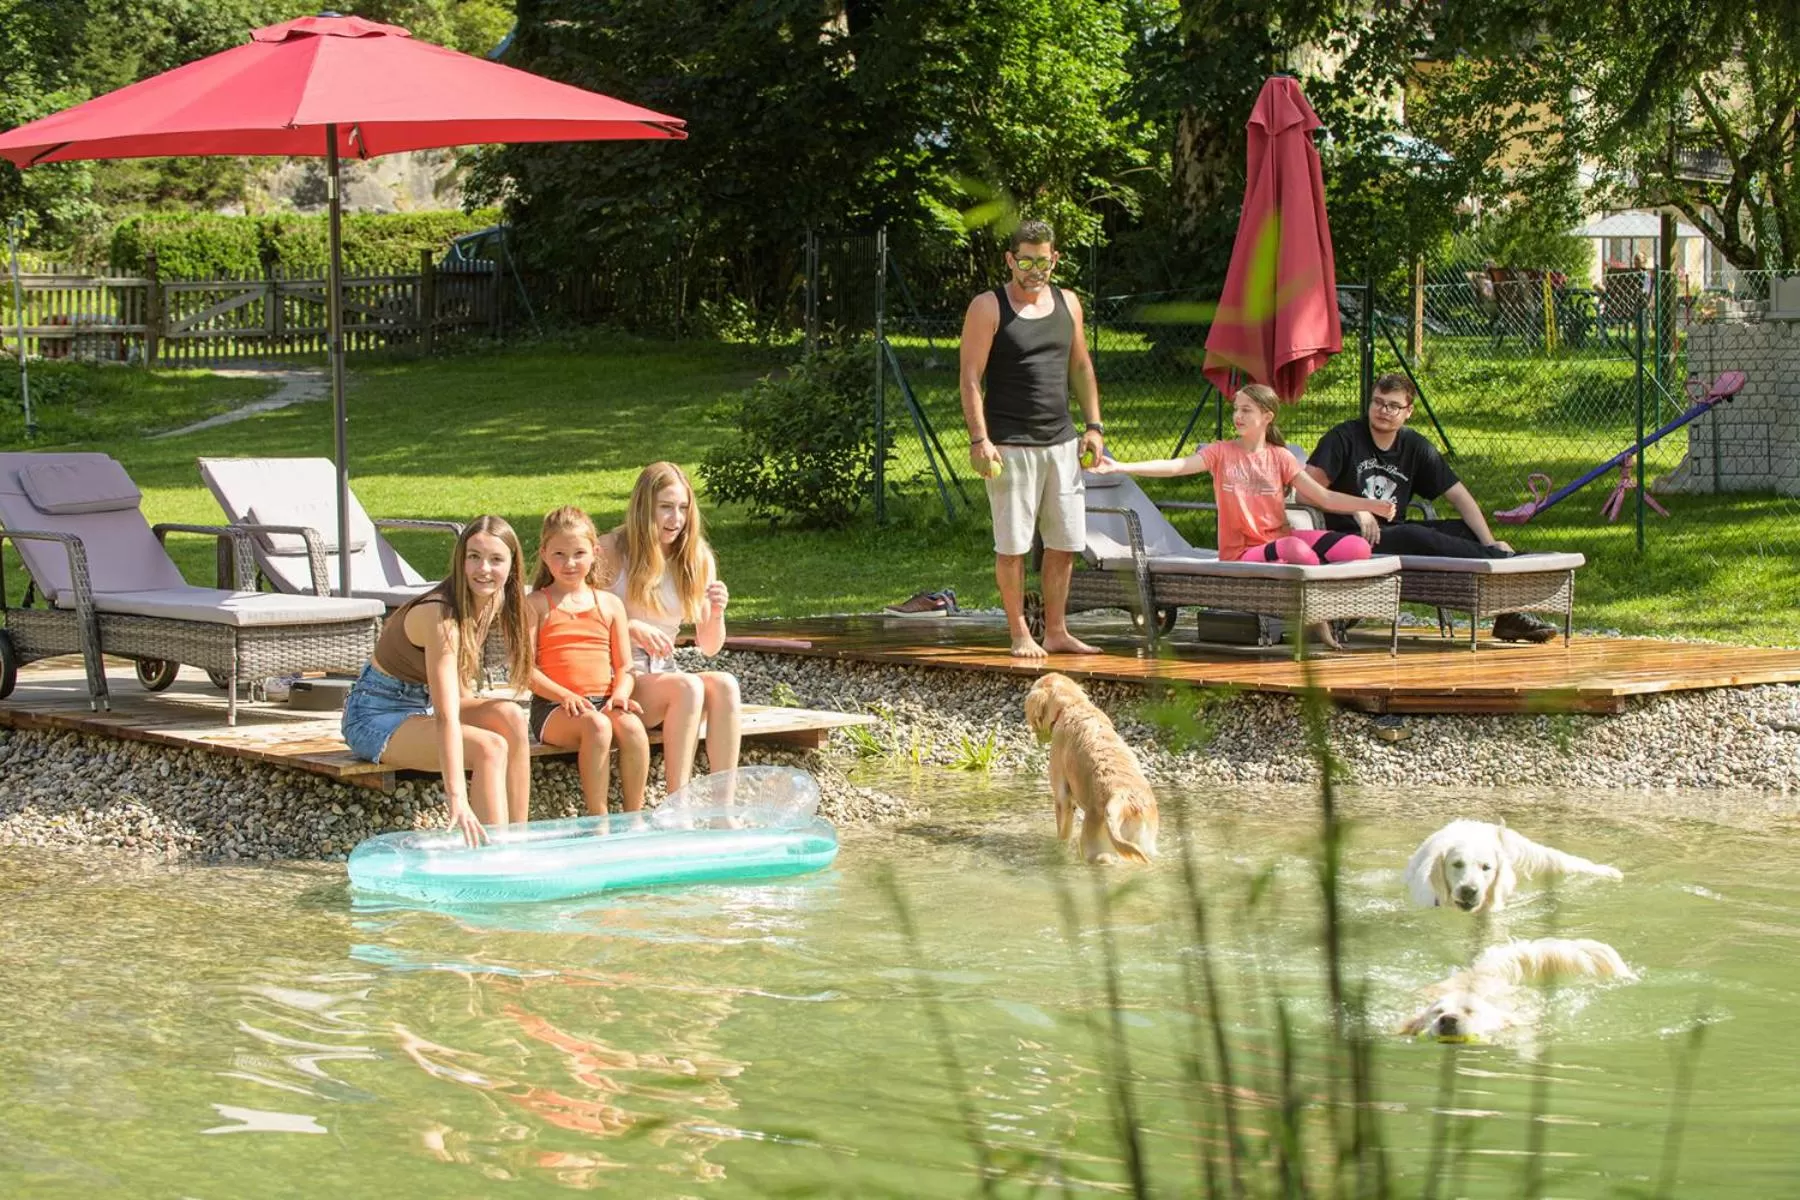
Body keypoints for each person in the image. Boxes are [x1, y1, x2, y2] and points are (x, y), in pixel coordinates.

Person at [1092, 384, 1395, 648]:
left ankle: (1323, 608)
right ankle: (1317, 620)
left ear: (1267, 416)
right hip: (1241, 550)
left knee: (1357, 548)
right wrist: (1123, 467)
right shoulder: (1220, 452)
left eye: (1246, 410)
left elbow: (1323, 496)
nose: (1237, 416)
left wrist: (1370, 506)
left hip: (1279, 539)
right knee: (1297, 550)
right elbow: (1176, 467)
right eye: (1236, 409)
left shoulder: (1280, 457)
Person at [1304, 372, 1559, 643]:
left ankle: (1507, 614)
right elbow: (1306, 493)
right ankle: (1509, 563)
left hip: (1392, 530)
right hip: (1348, 536)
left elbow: (1460, 496)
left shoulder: (1414, 446)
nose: (1383, 411)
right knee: (1416, 535)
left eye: (1393, 406)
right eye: (1378, 402)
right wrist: (1358, 509)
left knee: (1463, 531)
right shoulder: (1343, 438)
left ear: (1408, 411)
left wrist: (1490, 541)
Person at [339, 515, 535, 846]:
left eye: (495, 559)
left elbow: (457, 693)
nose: (483, 568)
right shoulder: (441, 615)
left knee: (512, 715)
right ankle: (493, 855)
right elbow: (446, 715)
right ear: (460, 560)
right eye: (473, 556)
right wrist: (456, 797)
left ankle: (518, 837)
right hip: (374, 716)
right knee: (489, 748)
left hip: (418, 709)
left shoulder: (490, 599)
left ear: (512, 565)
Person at [959, 218, 1104, 658]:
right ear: (1010, 260)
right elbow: (969, 377)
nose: (1035, 270)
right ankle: (1019, 632)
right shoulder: (988, 306)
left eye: (1043, 261)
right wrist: (979, 439)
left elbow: (1080, 367)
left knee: (1064, 544)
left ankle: (1056, 631)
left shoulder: (1069, 303)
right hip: (1009, 444)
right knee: (1013, 545)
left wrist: (1093, 426)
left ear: (1054, 259)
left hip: (1061, 442)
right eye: (1026, 261)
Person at [595, 462, 741, 797]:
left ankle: (723, 807)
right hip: (618, 678)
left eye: (683, 508)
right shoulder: (611, 549)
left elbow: (709, 646)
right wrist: (629, 626)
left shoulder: (696, 556)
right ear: (645, 506)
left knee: (725, 685)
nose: (676, 519)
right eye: (666, 508)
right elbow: (582, 618)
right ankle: (679, 802)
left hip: (664, 675)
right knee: (687, 687)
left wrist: (717, 612)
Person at [527, 505, 650, 815]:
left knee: (633, 728)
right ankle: (599, 819)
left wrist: (620, 695)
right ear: (544, 553)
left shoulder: (609, 604)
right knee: (596, 726)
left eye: (579, 553)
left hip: (603, 700)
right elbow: (526, 672)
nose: (570, 563)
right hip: (554, 707)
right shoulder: (536, 604)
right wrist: (564, 695)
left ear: (595, 552)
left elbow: (624, 666)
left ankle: (634, 817)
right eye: (559, 554)